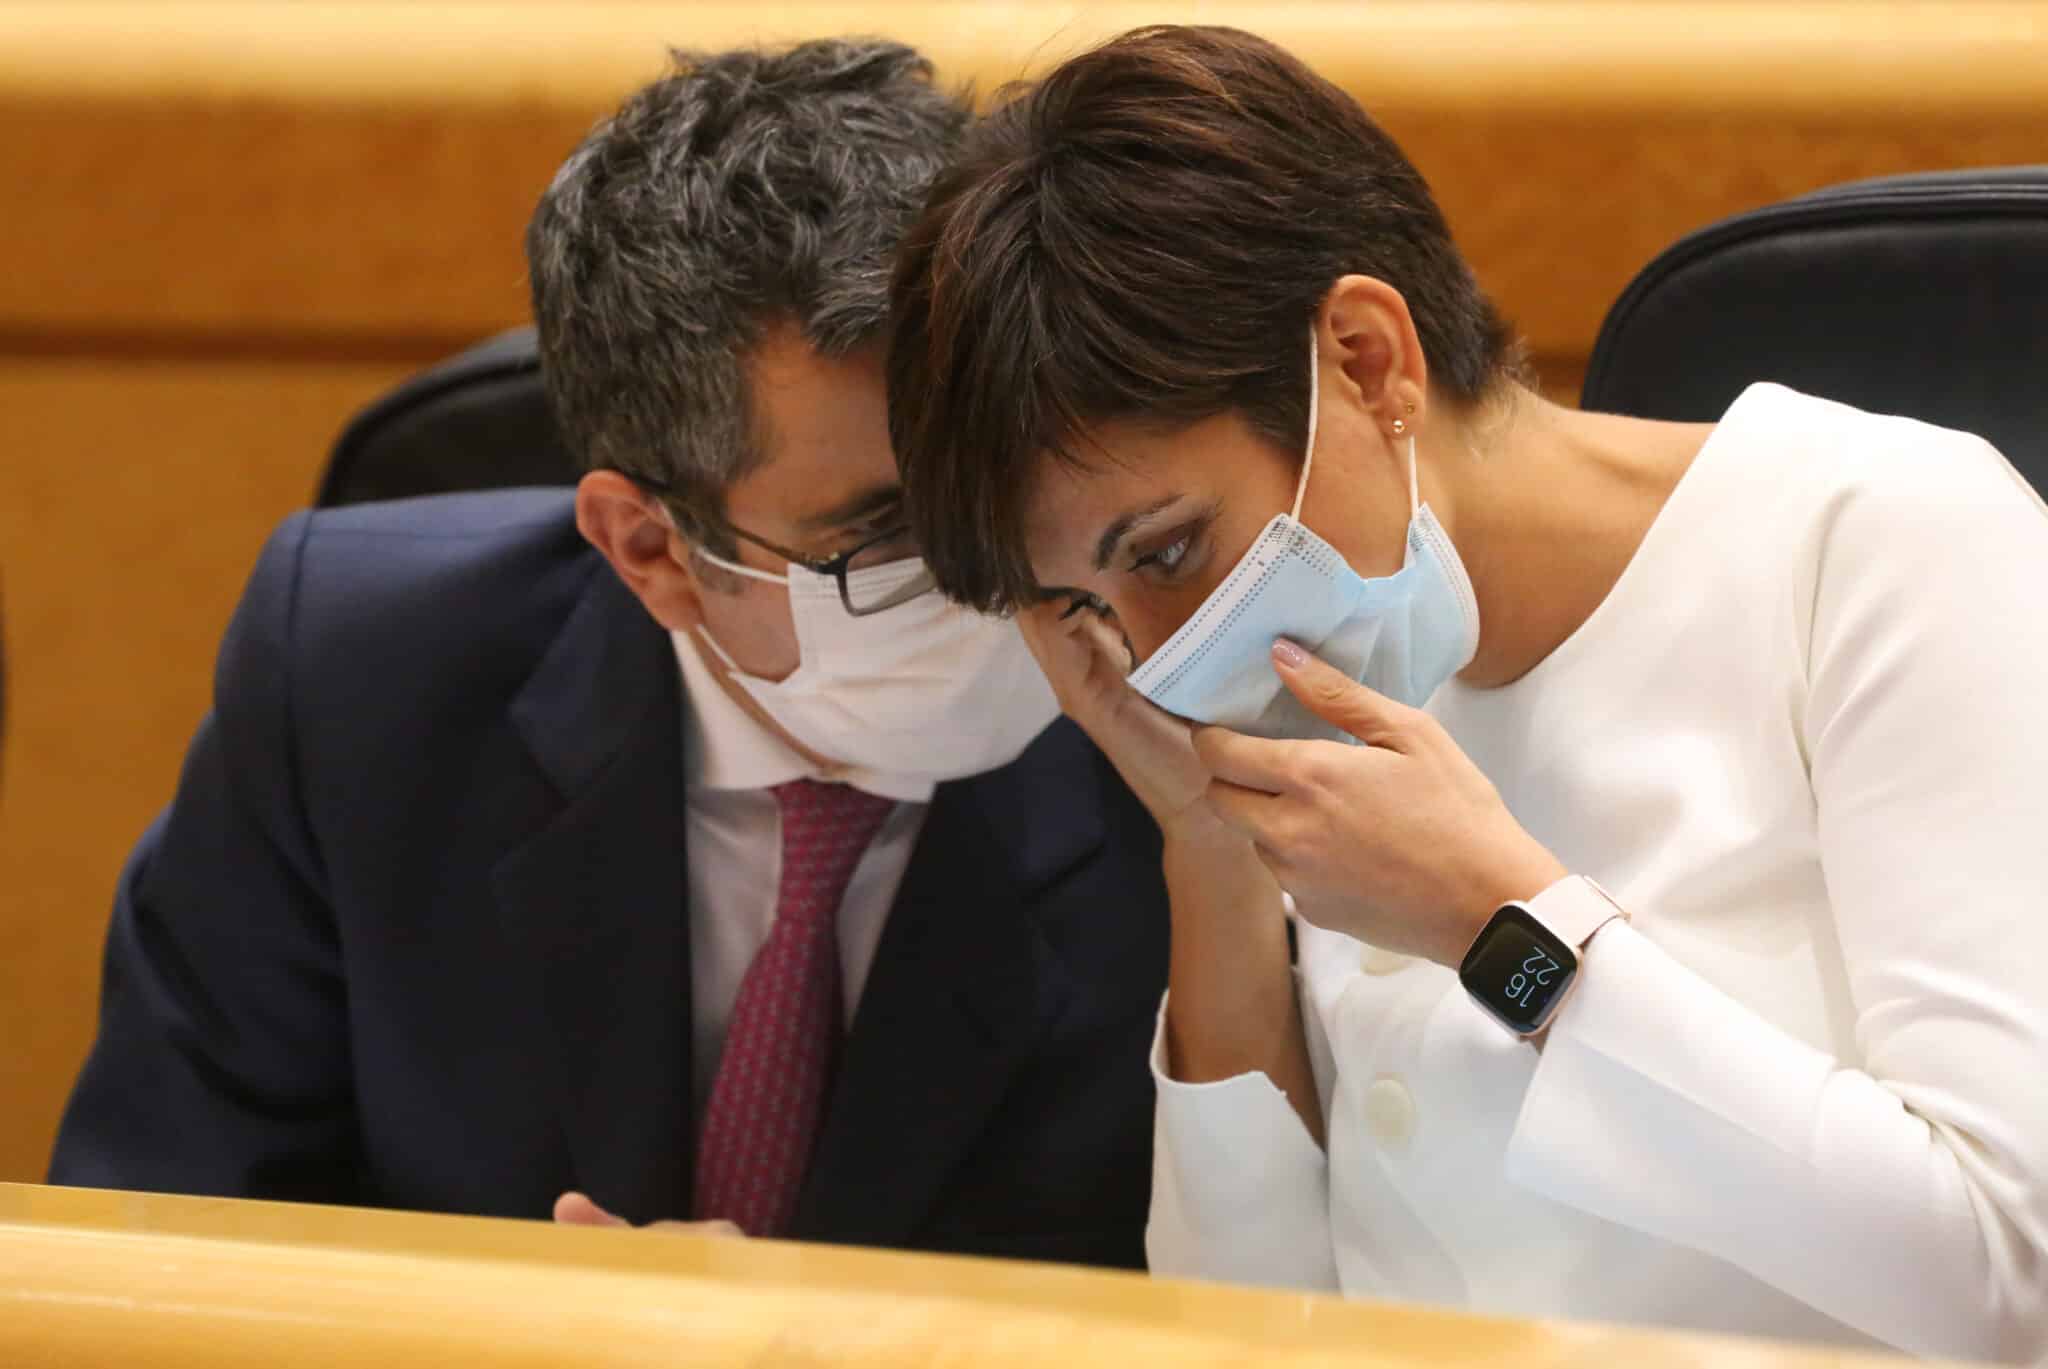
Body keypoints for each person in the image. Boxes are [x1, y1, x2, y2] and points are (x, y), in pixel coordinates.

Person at [882, 24, 2048, 1362]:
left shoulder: (1885, 540)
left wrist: (1506, 930)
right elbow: (1244, 1328)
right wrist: (1208, 850)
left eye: (1168, 550)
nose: (1156, 651)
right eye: (1091, 602)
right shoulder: (1350, 662)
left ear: (1368, 362)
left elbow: (2009, 1275)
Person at [50, 40, 1169, 1269]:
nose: (1000, 581)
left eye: (1002, 482)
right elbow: (161, 1249)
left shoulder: (1186, 728)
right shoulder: (352, 682)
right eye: (890, 535)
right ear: (652, 550)